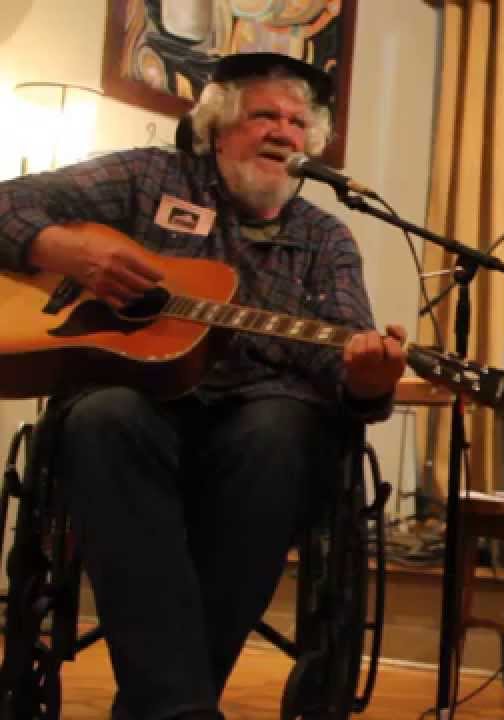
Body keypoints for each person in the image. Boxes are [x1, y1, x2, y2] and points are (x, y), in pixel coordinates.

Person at [0, 53, 407, 719]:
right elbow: (5, 202)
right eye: (264, 115)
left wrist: (367, 380)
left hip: (258, 420)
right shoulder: (147, 176)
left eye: (299, 122)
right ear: (217, 129)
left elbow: (347, 362)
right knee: (104, 417)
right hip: (136, 404)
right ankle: (179, 706)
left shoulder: (325, 238)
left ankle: (166, 705)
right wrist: (61, 250)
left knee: (280, 432)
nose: (284, 130)